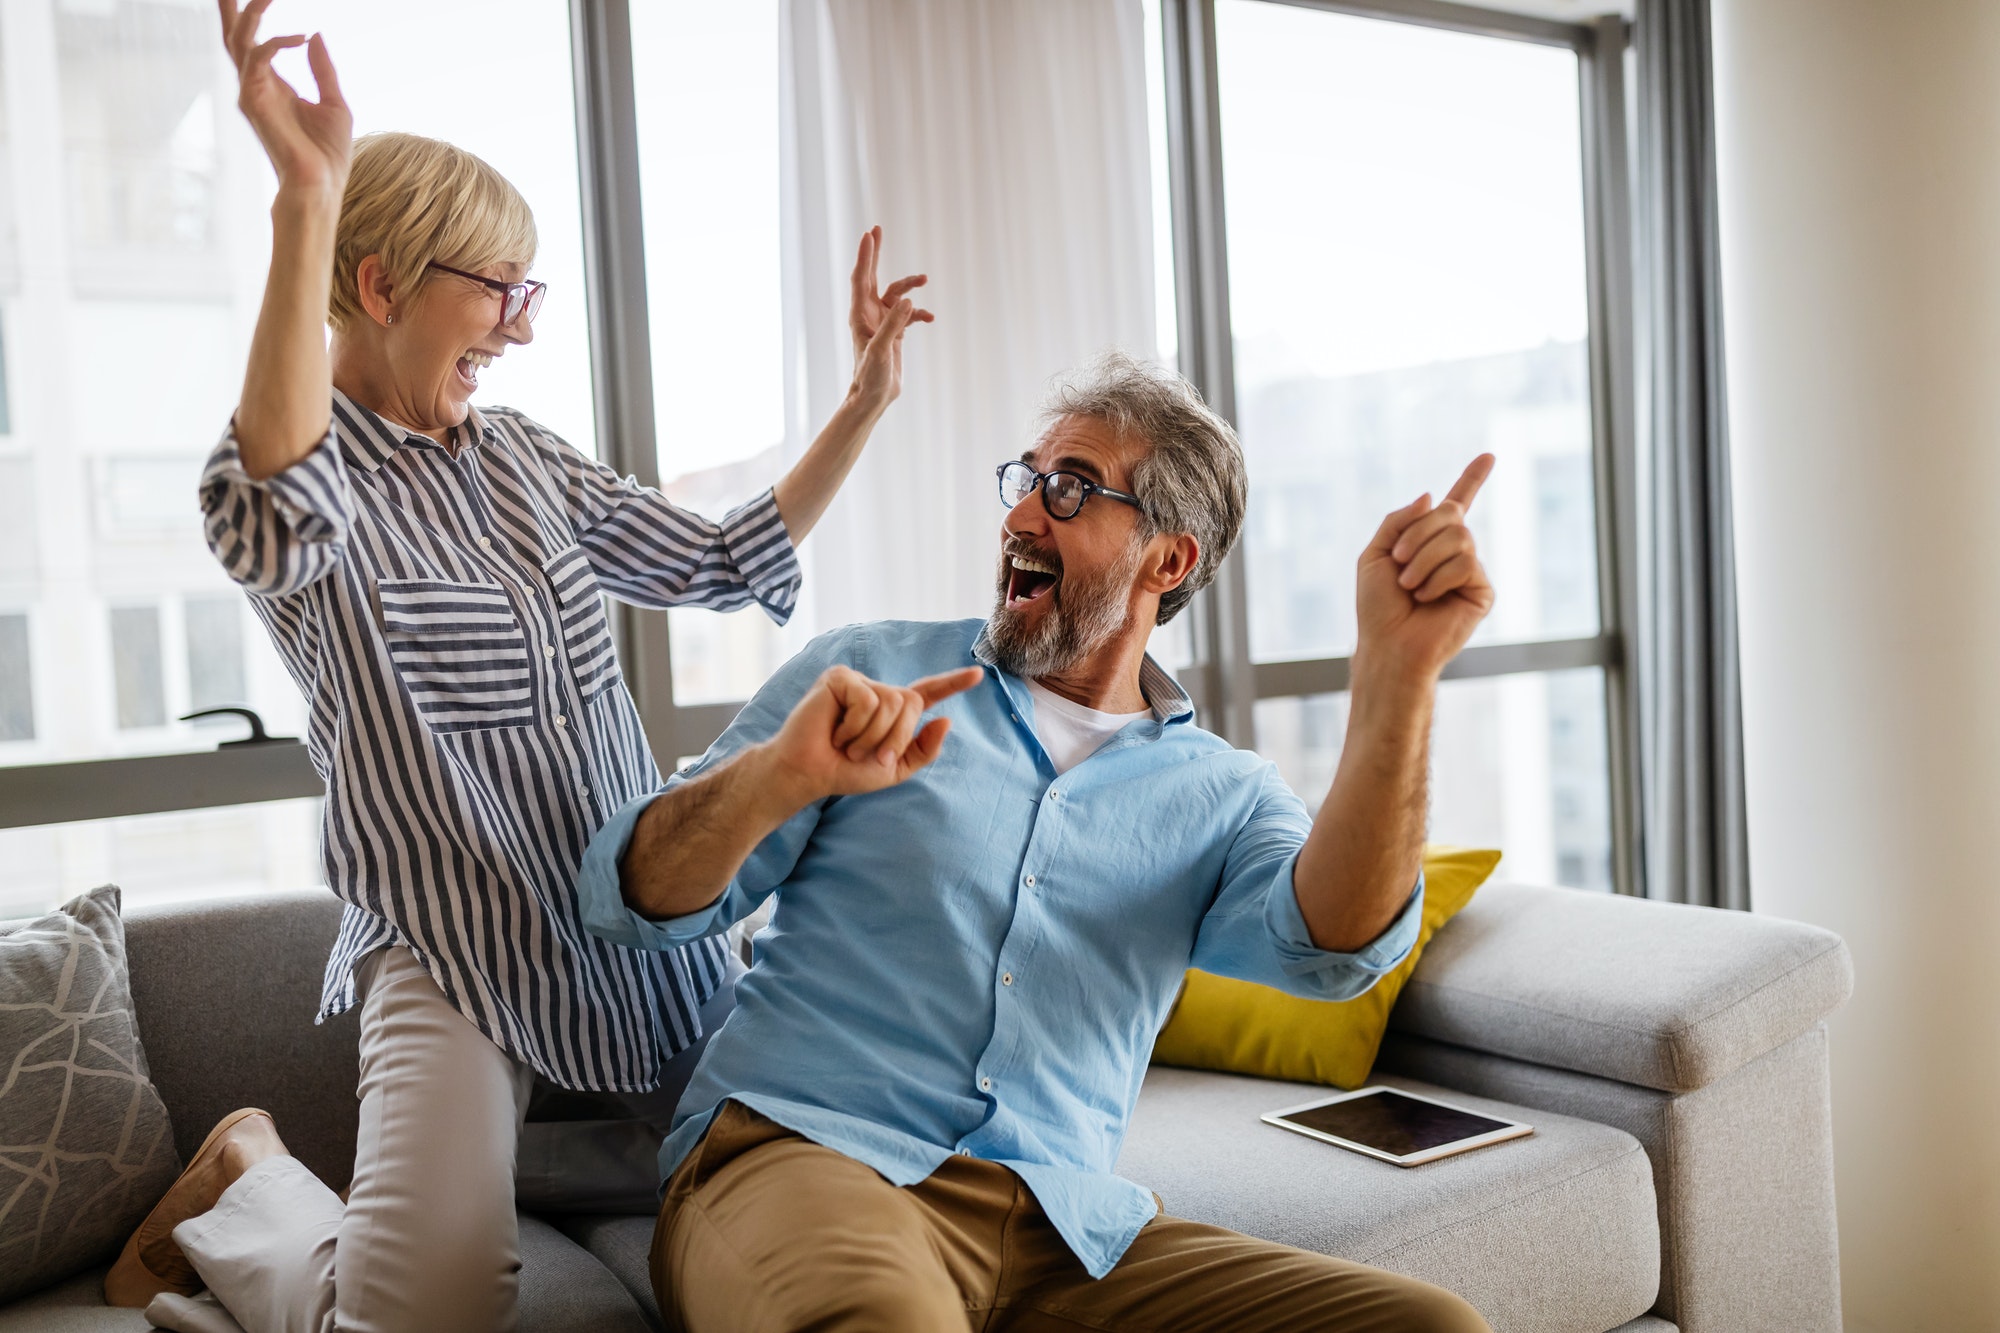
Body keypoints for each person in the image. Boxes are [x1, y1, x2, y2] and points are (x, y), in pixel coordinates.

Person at [105, 3, 932, 1329]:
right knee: (423, 1314)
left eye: (528, 292)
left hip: (626, 926)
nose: (523, 328)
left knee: (769, 1183)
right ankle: (253, 1177)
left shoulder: (522, 455)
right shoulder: (313, 480)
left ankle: (519, 1178)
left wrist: (865, 401)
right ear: (381, 287)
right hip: (452, 946)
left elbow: (723, 558)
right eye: (500, 289)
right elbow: (269, 498)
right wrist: (304, 198)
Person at [574, 352, 1499, 1332]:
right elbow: (627, 899)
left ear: (1167, 559)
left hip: (1064, 1229)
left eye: (1067, 489)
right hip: (802, 1158)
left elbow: (1336, 952)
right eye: (1023, 481)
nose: (1020, 516)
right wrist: (774, 778)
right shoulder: (869, 671)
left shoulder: (1222, 796)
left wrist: (1397, 674)